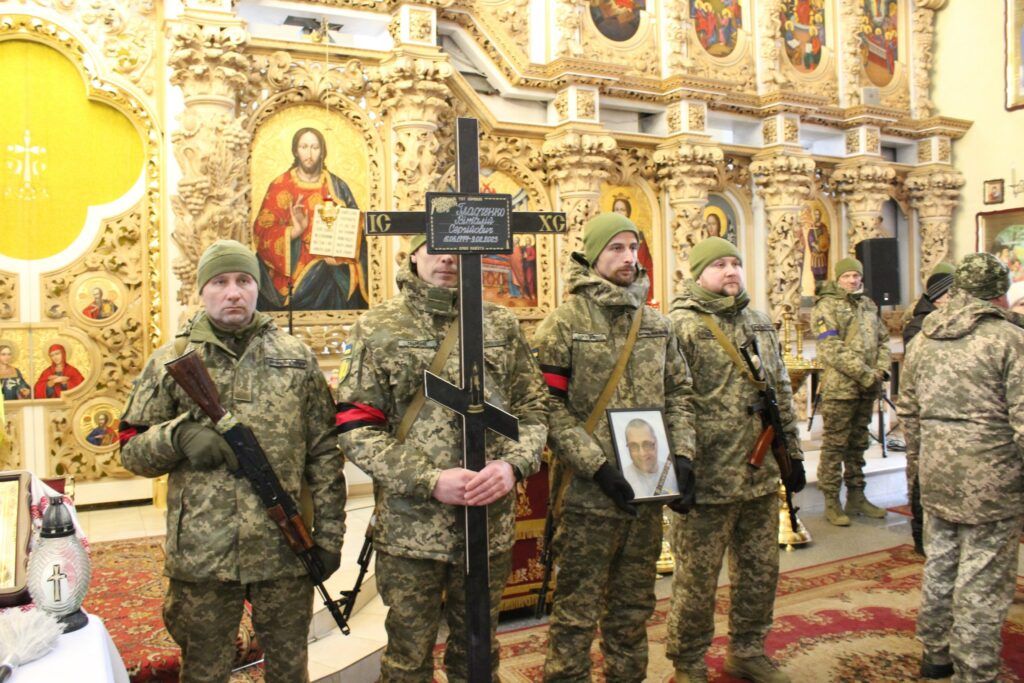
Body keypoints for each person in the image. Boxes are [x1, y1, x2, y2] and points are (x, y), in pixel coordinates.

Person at [119, 240, 345, 682]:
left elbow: (323, 453)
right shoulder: (170, 360)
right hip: (203, 554)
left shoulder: (295, 358)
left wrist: (331, 537)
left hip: (283, 549)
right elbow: (131, 450)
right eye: (219, 282)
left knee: (289, 671)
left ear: (258, 288)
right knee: (204, 672)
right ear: (202, 290)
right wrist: (177, 436)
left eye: (244, 281)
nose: (233, 293)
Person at [334, 233, 548, 682]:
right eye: (435, 246)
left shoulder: (501, 325)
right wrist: (429, 479)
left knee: (478, 655)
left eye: (458, 248)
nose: (448, 257)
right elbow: (356, 427)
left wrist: (512, 465)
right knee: (407, 660)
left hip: (487, 522)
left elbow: (532, 410)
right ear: (413, 254)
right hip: (412, 527)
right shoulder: (377, 328)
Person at [533, 212, 696, 682]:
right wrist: (597, 466)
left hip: (645, 493)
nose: (629, 258)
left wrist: (683, 457)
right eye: (616, 248)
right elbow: (545, 405)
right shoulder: (563, 324)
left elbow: (680, 394)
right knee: (576, 611)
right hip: (587, 496)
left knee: (633, 608)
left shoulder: (657, 325)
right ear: (592, 256)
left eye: (633, 248)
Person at [666, 237, 805, 683]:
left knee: (761, 571)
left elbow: (780, 389)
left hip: (758, 475)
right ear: (698, 273)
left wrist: (793, 454)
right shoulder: (681, 325)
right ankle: (689, 662)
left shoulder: (759, 322)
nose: (730, 271)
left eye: (735, 263)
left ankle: (747, 650)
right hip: (707, 477)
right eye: (719, 265)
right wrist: (679, 464)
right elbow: (672, 399)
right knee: (697, 580)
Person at [897, 253, 1023, 682]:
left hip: (937, 472)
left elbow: (908, 411)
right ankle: (975, 669)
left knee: (941, 563)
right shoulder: (1009, 340)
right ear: (1000, 292)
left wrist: (919, 465)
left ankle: (936, 654)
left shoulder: (924, 339)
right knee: (983, 578)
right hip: (993, 478)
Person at [253, 127, 368, 312]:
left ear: (322, 151)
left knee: (331, 275)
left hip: (329, 269)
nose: (309, 154)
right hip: (291, 270)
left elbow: (356, 230)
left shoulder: (337, 187)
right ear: (295, 151)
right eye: (304, 147)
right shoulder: (281, 185)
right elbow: (262, 232)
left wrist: (340, 256)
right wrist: (294, 231)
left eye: (315, 147)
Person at [812, 257, 891, 526]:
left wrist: (881, 369)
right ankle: (832, 500)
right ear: (837, 279)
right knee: (835, 446)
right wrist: (866, 374)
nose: (852, 280)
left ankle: (856, 496)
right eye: (846, 276)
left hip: (866, 388)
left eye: (856, 276)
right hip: (840, 388)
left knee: (858, 444)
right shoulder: (826, 306)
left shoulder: (868, 305)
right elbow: (831, 347)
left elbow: (883, 339)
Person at [899, 262, 954, 555]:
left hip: (944, 413)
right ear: (939, 296)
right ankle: (921, 535)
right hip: (923, 412)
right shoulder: (919, 327)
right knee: (919, 474)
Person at [620, 418, 676, 498]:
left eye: (646, 444)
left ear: (656, 443)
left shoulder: (673, 472)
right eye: (633, 446)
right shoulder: (622, 479)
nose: (642, 453)